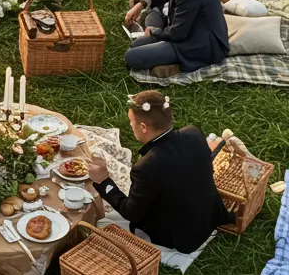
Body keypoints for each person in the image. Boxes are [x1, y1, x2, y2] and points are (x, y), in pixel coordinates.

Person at [88, 89, 233, 255]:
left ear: (143, 127)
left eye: (131, 121)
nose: (129, 125)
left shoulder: (147, 167)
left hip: (183, 237)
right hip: (210, 216)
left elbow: (131, 213)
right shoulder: (193, 132)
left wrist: (104, 181)